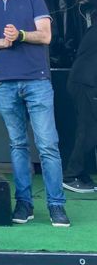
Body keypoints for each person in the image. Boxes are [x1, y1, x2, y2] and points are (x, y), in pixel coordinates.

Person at [0, 0, 70, 227]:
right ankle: (24, 204)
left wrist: (20, 35)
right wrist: (2, 42)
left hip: (36, 81)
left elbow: (46, 35)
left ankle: (56, 205)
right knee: (17, 145)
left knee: (47, 146)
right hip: (5, 83)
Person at [62, 23, 97, 193]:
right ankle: (71, 176)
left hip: (83, 82)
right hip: (86, 83)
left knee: (88, 130)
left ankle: (81, 174)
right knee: (89, 130)